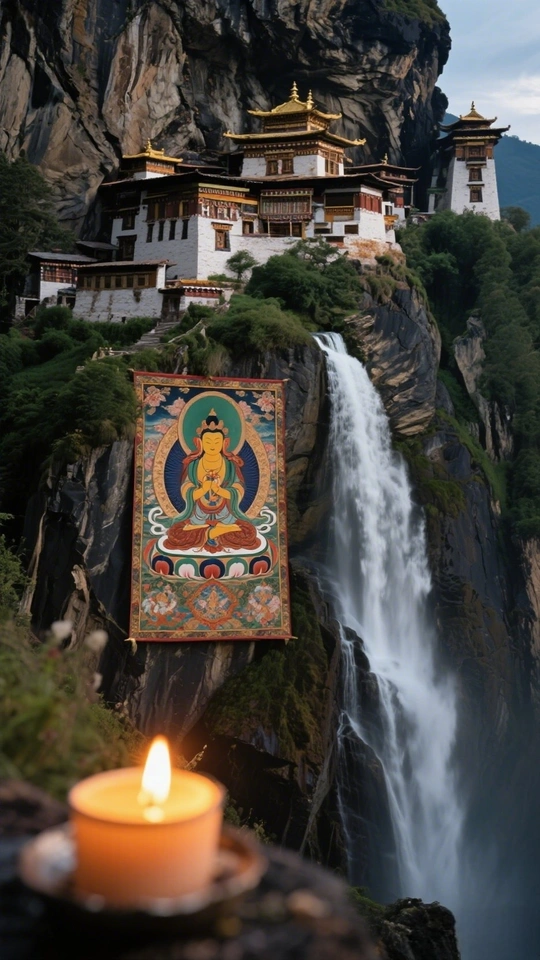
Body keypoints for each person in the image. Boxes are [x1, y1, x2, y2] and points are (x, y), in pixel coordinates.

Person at [163, 410, 259, 552]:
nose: (212, 445)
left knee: (249, 533)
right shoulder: (194, 465)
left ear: (225, 443)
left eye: (217, 441)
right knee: (175, 534)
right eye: (208, 441)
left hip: (226, 515)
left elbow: (238, 489)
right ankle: (214, 532)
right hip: (197, 516)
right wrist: (203, 489)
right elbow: (186, 490)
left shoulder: (229, 465)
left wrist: (219, 490)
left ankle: (209, 532)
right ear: (199, 442)